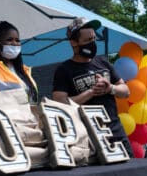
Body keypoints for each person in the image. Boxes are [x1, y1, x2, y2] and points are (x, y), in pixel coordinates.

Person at [52, 17, 134, 157]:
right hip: (86, 139)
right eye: (87, 40)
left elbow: (126, 91)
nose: (92, 43)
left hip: (115, 133)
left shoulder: (104, 63)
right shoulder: (64, 70)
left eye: (94, 39)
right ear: (73, 42)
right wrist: (91, 92)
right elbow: (59, 103)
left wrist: (111, 89)